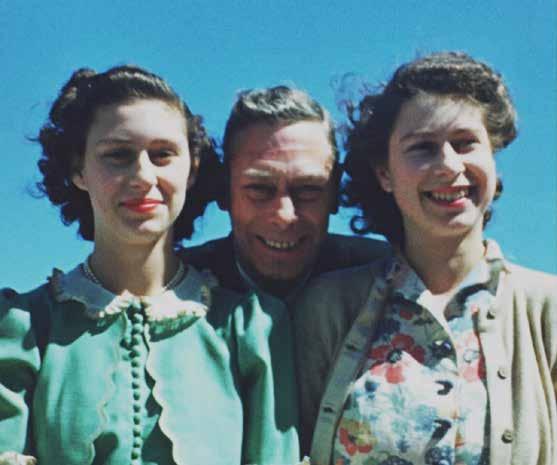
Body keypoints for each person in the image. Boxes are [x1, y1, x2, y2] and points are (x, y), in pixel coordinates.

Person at [0, 66, 299, 465]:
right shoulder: (25, 327)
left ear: (192, 168)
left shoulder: (251, 329)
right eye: (118, 155)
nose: (143, 175)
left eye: (162, 155)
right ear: (78, 169)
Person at [294, 52, 557, 465]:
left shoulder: (546, 309)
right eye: (422, 148)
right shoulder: (330, 307)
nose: (449, 165)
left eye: (466, 143)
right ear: (384, 173)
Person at [182, 86, 390, 300]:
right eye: (259, 189)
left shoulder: (390, 277)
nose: (284, 216)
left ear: (335, 192)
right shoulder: (175, 286)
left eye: (308, 189)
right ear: (224, 191)